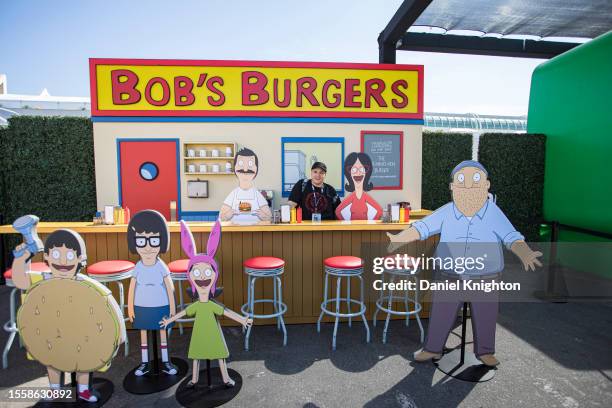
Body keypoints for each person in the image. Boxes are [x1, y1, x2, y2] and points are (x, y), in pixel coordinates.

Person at [387, 160, 542, 367]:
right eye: (462, 180)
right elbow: (422, 227)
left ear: (487, 184)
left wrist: (525, 253)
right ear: (452, 187)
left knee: (486, 314)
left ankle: (485, 352)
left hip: (486, 275)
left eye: (475, 179)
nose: (468, 186)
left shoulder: (493, 212)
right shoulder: (446, 211)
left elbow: (511, 236)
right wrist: (399, 239)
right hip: (449, 274)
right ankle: (432, 349)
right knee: (441, 312)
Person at [11, 229, 103, 402]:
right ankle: (55, 389)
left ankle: (83, 390)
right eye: (55, 254)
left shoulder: (81, 282)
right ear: (46, 257)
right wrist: (20, 259)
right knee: (52, 359)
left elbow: (95, 305)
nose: (62, 261)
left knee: (83, 359)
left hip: (77, 331)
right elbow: (20, 281)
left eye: (69, 256)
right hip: (52, 330)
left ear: (80, 259)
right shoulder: (44, 278)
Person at [161, 220, 252, 387]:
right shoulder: (198, 305)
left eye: (207, 272)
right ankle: (194, 379)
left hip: (213, 334)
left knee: (219, 355)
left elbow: (226, 312)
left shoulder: (211, 305)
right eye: (196, 272)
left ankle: (225, 379)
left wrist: (242, 320)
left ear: (214, 276)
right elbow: (185, 312)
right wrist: (169, 320)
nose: (202, 277)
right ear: (191, 276)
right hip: (199, 334)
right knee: (197, 356)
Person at [126, 210, 177, 377]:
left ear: (161, 242)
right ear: (135, 243)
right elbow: (132, 287)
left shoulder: (161, 266)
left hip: (161, 305)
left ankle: (165, 361)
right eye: (141, 241)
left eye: (153, 240)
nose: (148, 247)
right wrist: (130, 308)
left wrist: (172, 308)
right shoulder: (138, 267)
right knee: (143, 332)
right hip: (141, 306)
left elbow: (170, 288)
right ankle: (144, 362)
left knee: (162, 332)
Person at [220, 147, 272, 223]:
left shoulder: (257, 194)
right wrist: (228, 214)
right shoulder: (233, 194)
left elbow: (269, 217)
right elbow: (221, 217)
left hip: (255, 231)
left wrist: (263, 215)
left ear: (256, 169)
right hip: (235, 231)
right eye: (240, 163)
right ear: (234, 168)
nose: (245, 169)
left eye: (250, 164)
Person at [335, 152, 383, 220]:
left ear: (367, 172)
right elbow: (338, 211)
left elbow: (379, 211)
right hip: (352, 229)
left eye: (361, 169)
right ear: (349, 173)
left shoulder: (366, 197)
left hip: (366, 229)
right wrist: (345, 223)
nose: (358, 172)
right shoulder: (352, 197)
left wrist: (371, 224)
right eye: (354, 169)